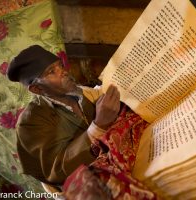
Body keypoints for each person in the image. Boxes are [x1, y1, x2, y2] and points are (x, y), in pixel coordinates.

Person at [7, 45, 120, 185]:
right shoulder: (30, 123)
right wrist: (99, 125)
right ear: (37, 88)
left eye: (60, 65)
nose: (64, 72)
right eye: (52, 72)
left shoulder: (80, 93)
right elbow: (57, 170)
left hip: (113, 161)